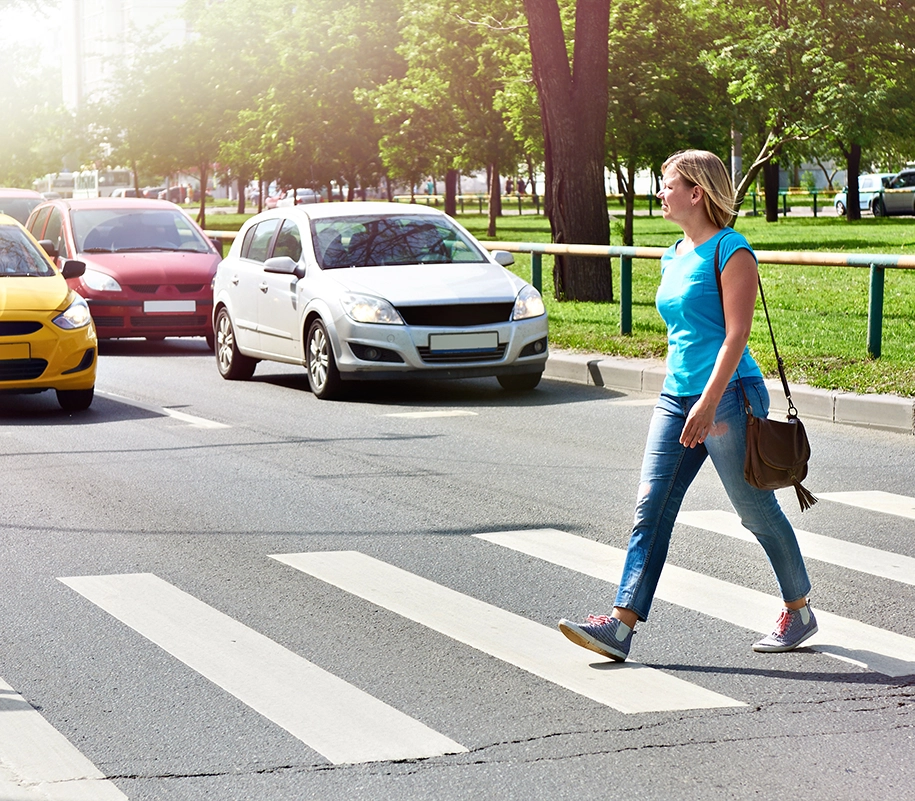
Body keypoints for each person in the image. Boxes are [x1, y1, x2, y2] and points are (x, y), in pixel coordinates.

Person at [558, 149, 817, 662]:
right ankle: (621, 624)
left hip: (727, 396)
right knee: (650, 506)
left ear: (696, 192)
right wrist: (684, 393)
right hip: (677, 397)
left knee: (754, 509)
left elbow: (736, 335)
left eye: (667, 184)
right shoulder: (673, 252)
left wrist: (709, 400)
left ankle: (799, 609)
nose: (660, 192)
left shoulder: (731, 250)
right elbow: (684, 332)